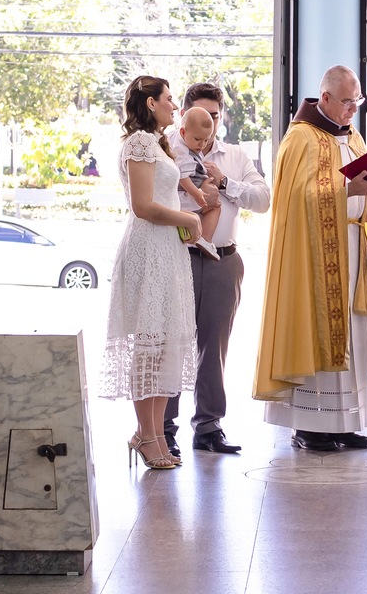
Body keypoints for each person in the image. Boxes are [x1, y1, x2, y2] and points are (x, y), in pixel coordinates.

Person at [253, 65, 367, 451]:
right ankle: (310, 425)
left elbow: (360, 194)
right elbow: (296, 199)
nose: (353, 110)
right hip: (313, 259)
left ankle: (345, 423)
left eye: (357, 101)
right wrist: (347, 190)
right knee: (319, 330)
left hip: (353, 250)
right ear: (324, 98)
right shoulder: (300, 137)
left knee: (354, 333)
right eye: (346, 102)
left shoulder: (352, 136)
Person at [162, 82, 271, 455]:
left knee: (214, 348)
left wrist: (225, 183)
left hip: (224, 261)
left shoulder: (235, 156)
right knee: (172, 345)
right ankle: (164, 429)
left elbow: (263, 200)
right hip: (178, 258)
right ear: (184, 115)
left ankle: (209, 427)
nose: (209, 123)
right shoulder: (167, 150)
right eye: (203, 114)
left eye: (215, 116)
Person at [100, 75, 201, 471]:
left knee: (165, 345)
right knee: (149, 346)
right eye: (169, 99)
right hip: (148, 250)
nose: (175, 106)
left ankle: (152, 434)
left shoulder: (155, 143)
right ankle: (148, 435)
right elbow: (142, 206)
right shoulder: (139, 143)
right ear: (150, 103)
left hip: (166, 250)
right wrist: (188, 218)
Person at [174, 107, 223, 262]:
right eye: (197, 139)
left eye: (206, 140)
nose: (202, 144)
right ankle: (206, 239)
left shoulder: (184, 143)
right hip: (192, 186)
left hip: (195, 184)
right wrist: (197, 193)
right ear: (183, 132)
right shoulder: (182, 151)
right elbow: (183, 177)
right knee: (215, 207)